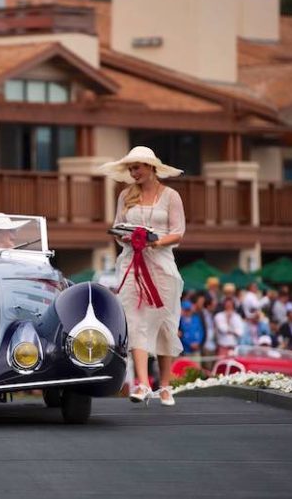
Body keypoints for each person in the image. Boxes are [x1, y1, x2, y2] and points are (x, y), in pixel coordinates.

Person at [101, 145, 185, 407]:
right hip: (132, 262)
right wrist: (128, 237)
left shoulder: (171, 195)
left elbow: (178, 231)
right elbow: (116, 227)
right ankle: (142, 382)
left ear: (150, 167)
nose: (133, 172)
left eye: (136, 167)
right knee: (134, 319)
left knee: (164, 322)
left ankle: (166, 386)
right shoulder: (126, 195)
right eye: (130, 168)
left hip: (161, 264)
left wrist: (154, 242)